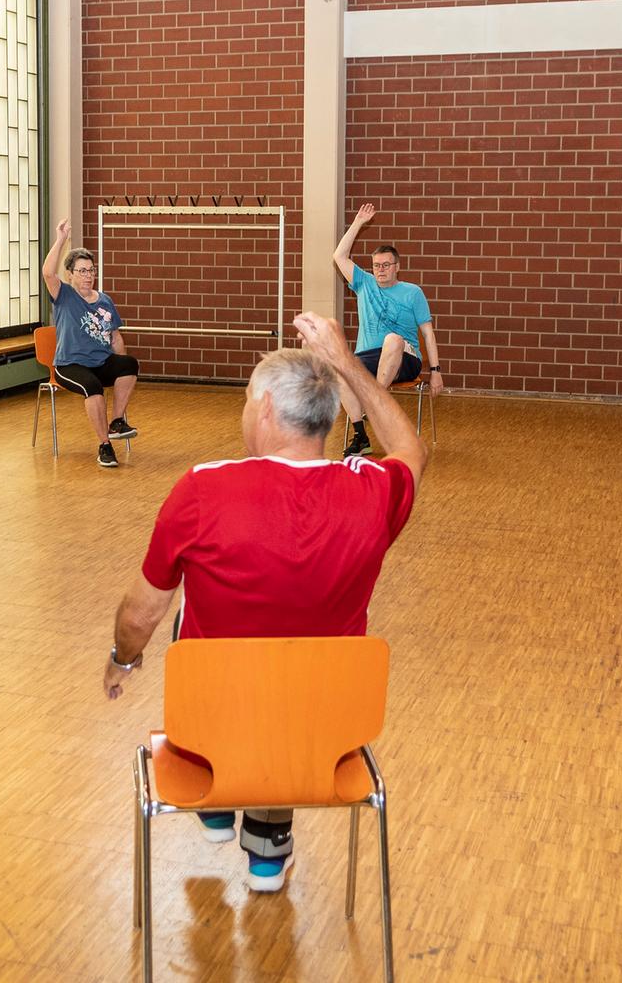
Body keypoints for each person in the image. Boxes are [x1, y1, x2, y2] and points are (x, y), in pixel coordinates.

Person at [101, 311, 426, 892]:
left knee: (189, 617)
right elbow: (408, 448)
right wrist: (347, 362)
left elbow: (140, 614)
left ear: (269, 410)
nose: (246, 409)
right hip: (325, 738)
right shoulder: (372, 493)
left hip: (212, 725)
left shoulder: (203, 489)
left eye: (249, 399)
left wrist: (124, 659)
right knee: (294, 677)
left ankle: (217, 791)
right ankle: (268, 850)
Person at [331, 204, 445, 457]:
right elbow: (339, 256)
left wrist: (435, 371)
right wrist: (358, 223)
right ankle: (361, 435)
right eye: (376, 265)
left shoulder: (412, 292)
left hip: (405, 358)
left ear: (397, 266)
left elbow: (428, 333)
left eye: (386, 265)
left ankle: (375, 404)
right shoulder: (364, 284)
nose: (380, 270)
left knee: (393, 339)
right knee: (338, 365)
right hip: (371, 357)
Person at [41, 219, 140, 468]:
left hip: (100, 361)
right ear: (71, 274)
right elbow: (47, 273)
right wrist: (61, 238)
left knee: (129, 364)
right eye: (82, 271)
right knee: (92, 386)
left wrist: (120, 368)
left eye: (91, 270)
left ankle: (117, 422)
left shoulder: (104, 300)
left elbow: (115, 337)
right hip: (70, 365)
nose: (88, 275)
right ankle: (105, 445)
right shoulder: (63, 295)